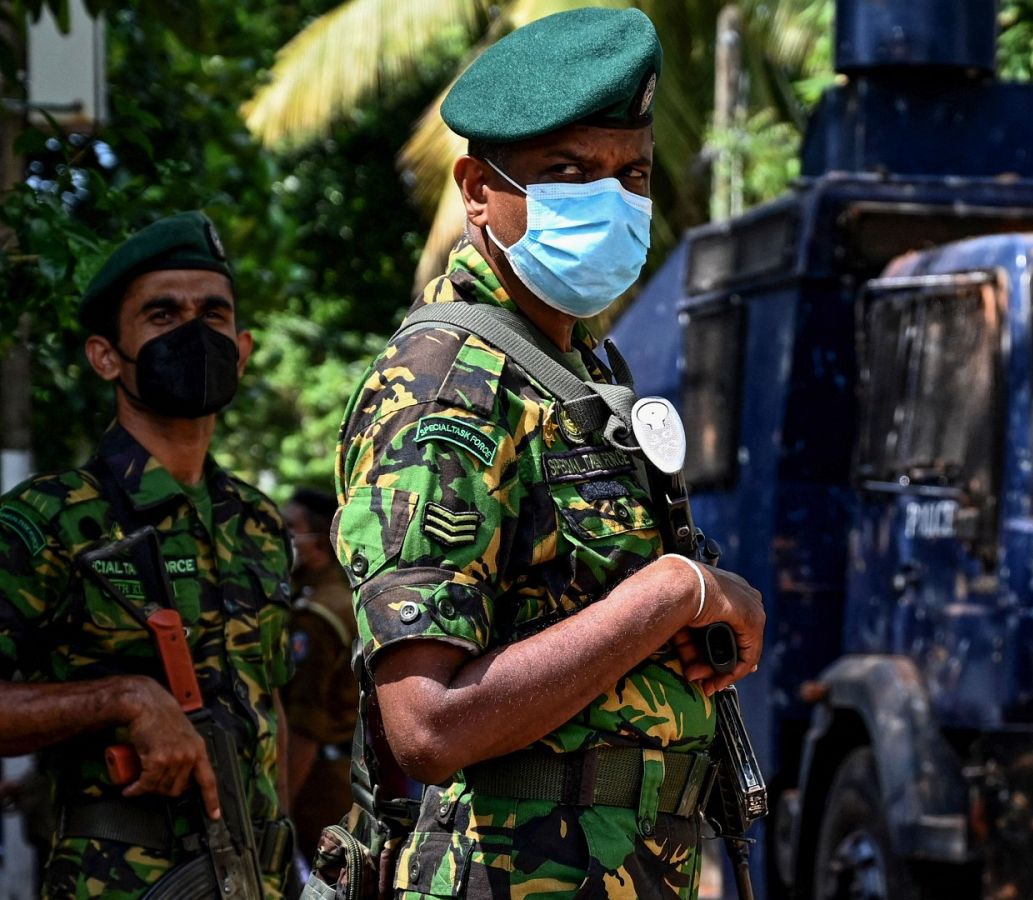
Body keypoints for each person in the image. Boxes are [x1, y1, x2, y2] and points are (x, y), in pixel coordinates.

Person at [331, 8, 765, 898]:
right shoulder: (447, 382)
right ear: (477, 190)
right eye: (568, 173)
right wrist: (669, 592)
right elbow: (427, 725)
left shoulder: (581, 366)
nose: (608, 198)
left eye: (631, 173)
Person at [0, 211, 296, 898]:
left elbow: (268, 706)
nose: (194, 332)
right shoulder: (48, 520)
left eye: (212, 314)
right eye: (163, 314)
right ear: (106, 355)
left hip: (260, 876)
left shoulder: (256, 519)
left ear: (243, 348)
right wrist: (120, 697)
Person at [279, 488, 357, 866]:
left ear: (318, 540)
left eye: (291, 528)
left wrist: (279, 809)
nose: (282, 536)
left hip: (316, 782)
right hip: (342, 774)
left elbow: (305, 723)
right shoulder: (338, 596)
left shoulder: (318, 616)